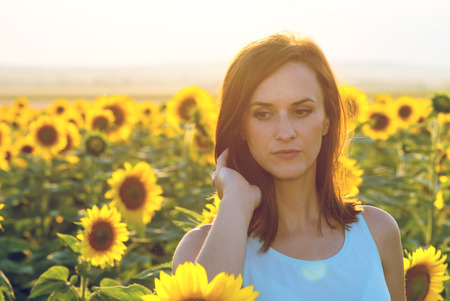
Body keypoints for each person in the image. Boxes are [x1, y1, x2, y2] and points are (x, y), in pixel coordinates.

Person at [172, 32, 405, 300]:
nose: (285, 132)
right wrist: (236, 200)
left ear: (327, 119)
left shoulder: (377, 233)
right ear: (240, 128)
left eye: (301, 111)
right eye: (263, 114)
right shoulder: (201, 250)